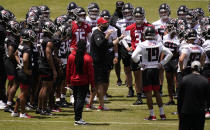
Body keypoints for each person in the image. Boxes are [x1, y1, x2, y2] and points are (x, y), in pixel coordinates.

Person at [132, 26, 173, 120]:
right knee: (157, 92)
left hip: (146, 70)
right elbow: (169, 54)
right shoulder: (159, 44)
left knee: (148, 93)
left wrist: (140, 63)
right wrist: (161, 63)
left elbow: (134, 56)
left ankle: (152, 114)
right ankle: (162, 114)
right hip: (155, 69)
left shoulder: (142, 44)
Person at [90, 17, 124, 110]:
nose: (106, 26)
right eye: (104, 24)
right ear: (99, 25)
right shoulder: (97, 34)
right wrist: (107, 36)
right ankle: (101, 105)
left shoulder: (101, 33)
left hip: (101, 63)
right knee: (100, 85)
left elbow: (107, 45)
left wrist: (119, 39)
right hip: (97, 64)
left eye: (106, 24)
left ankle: (90, 104)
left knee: (97, 85)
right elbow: (100, 44)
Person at [66, 40, 95, 125]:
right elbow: (91, 73)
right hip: (83, 82)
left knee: (76, 99)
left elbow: (68, 70)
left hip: (73, 81)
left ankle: (77, 118)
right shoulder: (87, 58)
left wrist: (68, 81)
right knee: (80, 100)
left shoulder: (71, 56)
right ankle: (78, 119)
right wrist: (92, 85)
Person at [178, 61, 210, 130]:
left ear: (191, 68)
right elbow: (208, 99)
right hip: (199, 113)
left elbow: (180, 98)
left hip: (186, 112)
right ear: (200, 69)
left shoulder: (184, 79)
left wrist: (179, 112)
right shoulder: (205, 81)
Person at [12, 29, 36, 118]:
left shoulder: (21, 45)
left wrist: (20, 64)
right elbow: (25, 59)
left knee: (22, 92)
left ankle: (15, 111)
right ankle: (22, 113)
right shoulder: (27, 48)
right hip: (24, 73)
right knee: (24, 94)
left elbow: (15, 54)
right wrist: (25, 69)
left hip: (20, 71)